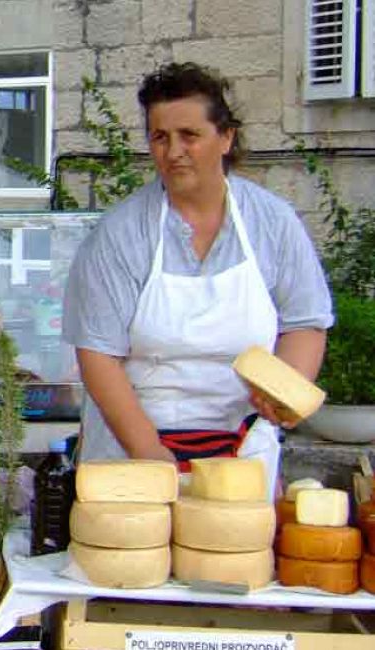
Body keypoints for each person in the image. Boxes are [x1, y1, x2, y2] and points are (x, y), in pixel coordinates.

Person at [62, 62, 334, 496]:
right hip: (135, 453)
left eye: (189, 135)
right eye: (159, 137)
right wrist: (153, 456)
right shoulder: (119, 234)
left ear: (225, 138)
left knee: (234, 561)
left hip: (243, 453)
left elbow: (304, 322)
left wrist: (284, 390)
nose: (173, 152)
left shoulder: (274, 223)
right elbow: (97, 354)